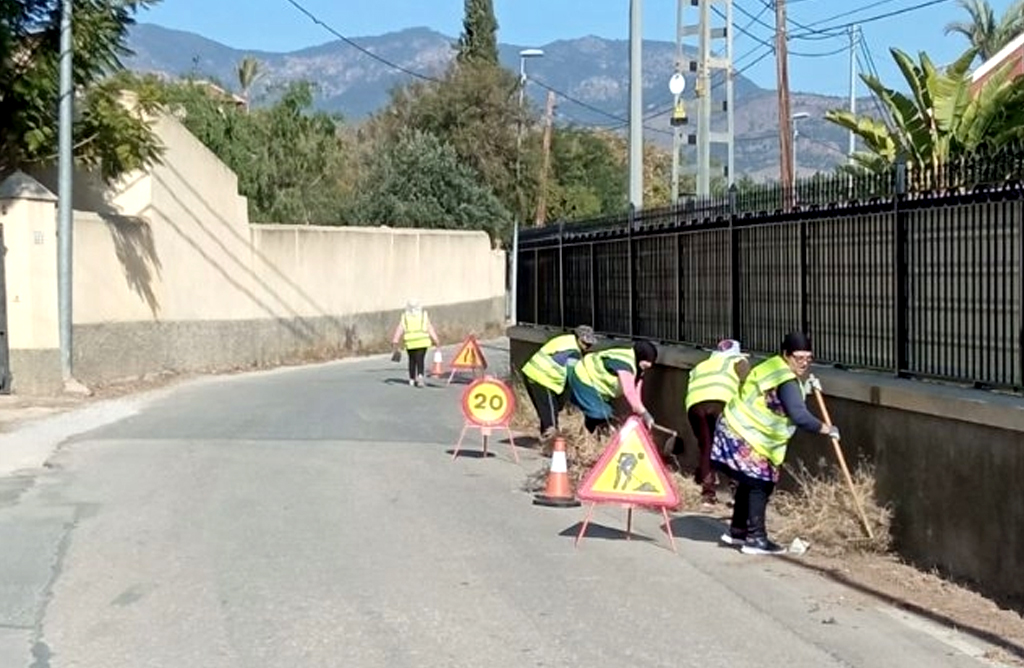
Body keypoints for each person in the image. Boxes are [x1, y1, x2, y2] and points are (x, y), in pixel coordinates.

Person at [711, 331, 839, 555]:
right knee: (761, 483)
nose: (804, 363)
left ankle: (737, 531)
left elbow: (774, 397)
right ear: (786, 355)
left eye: (808, 358)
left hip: (735, 426)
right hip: (747, 433)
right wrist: (827, 429)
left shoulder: (773, 366)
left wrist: (806, 387)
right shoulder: (786, 379)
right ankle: (757, 539)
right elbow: (799, 416)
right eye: (798, 358)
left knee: (748, 480)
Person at [684, 339, 750, 507]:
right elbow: (747, 383)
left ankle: (708, 494)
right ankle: (736, 492)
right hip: (720, 403)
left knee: (706, 447)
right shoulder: (736, 361)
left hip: (695, 406)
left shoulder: (702, 365)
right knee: (731, 446)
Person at [521, 325, 597, 440]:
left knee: (548, 411)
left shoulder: (565, 340)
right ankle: (551, 443)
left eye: (589, 344)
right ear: (577, 337)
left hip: (532, 373)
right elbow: (572, 377)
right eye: (585, 343)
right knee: (550, 413)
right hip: (543, 378)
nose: (587, 347)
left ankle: (545, 438)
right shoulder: (573, 352)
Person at [566, 340, 658, 434]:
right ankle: (586, 438)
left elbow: (635, 394)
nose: (646, 369)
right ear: (641, 357)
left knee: (604, 414)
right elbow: (629, 392)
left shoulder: (638, 366)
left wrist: (639, 412)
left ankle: (589, 435)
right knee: (599, 413)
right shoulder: (624, 363)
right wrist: (645, 414)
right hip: (585, 378)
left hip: (598, 387)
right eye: (645, 365)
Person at [391, 301, 439, 387]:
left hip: (410, 342)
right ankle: (420, 376)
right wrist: (436, 339)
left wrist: (395, 340)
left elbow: (400, 328)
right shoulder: (423, 315)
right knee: (420, 359)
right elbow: (429, 327)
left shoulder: (405, 316)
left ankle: (411, 379)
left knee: (412, 360)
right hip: (422, 341)